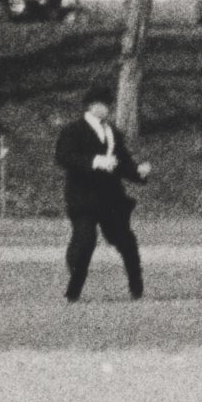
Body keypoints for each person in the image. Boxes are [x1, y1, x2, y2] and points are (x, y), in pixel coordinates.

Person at [54, 82, 150, 302]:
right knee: (86, 241)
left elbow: (123, 162)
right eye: (102, 104)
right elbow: (64, 156)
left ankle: (136, 286)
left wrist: (138, 172)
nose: (107, 108)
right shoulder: (73, 130)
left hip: (111, 198)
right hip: (83, 197)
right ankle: (73, 291)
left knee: (126, 241)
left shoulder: (113, 132)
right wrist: (95, 161)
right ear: (91, 106)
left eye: (108, 104)